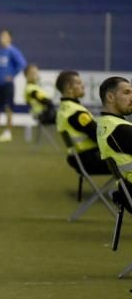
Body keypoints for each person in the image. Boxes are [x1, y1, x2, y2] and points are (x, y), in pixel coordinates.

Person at [56, 70, 109, 175]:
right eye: (79, 83)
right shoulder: (77, 112)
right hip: (91, 159)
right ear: (69, 88)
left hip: (80, 158)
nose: (83, 85)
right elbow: (99, 136)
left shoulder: (64, 108)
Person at [97, 76, 132, 207]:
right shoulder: (120, 129)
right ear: (110, 97)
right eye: (127, 93)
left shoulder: (106, 124)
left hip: (126, 190)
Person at [0, 29, 26, 142]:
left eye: (4, 36)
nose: (1, 38)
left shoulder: (13, 51)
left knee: (8, 108)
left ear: (10, 38)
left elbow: (22, 64)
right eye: (1, 36)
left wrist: (12, 75)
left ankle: (8, 132)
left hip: (8, 84)